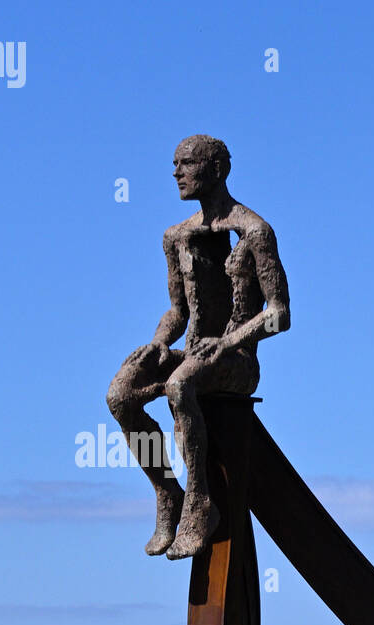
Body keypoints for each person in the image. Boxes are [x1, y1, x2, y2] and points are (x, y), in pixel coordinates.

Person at [106, 135, 291, 560]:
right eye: (175, 164)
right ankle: (167, 490)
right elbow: (176, 310)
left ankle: (199, 500)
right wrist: (157, 343)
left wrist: (228, 343)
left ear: (218, 170)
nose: (177, 173)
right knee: (121, 395)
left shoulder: (255, 232)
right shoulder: (176, 237)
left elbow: (280, 314)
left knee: (178, 386)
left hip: (236, 362)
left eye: (187, 164)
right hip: (193, 355)